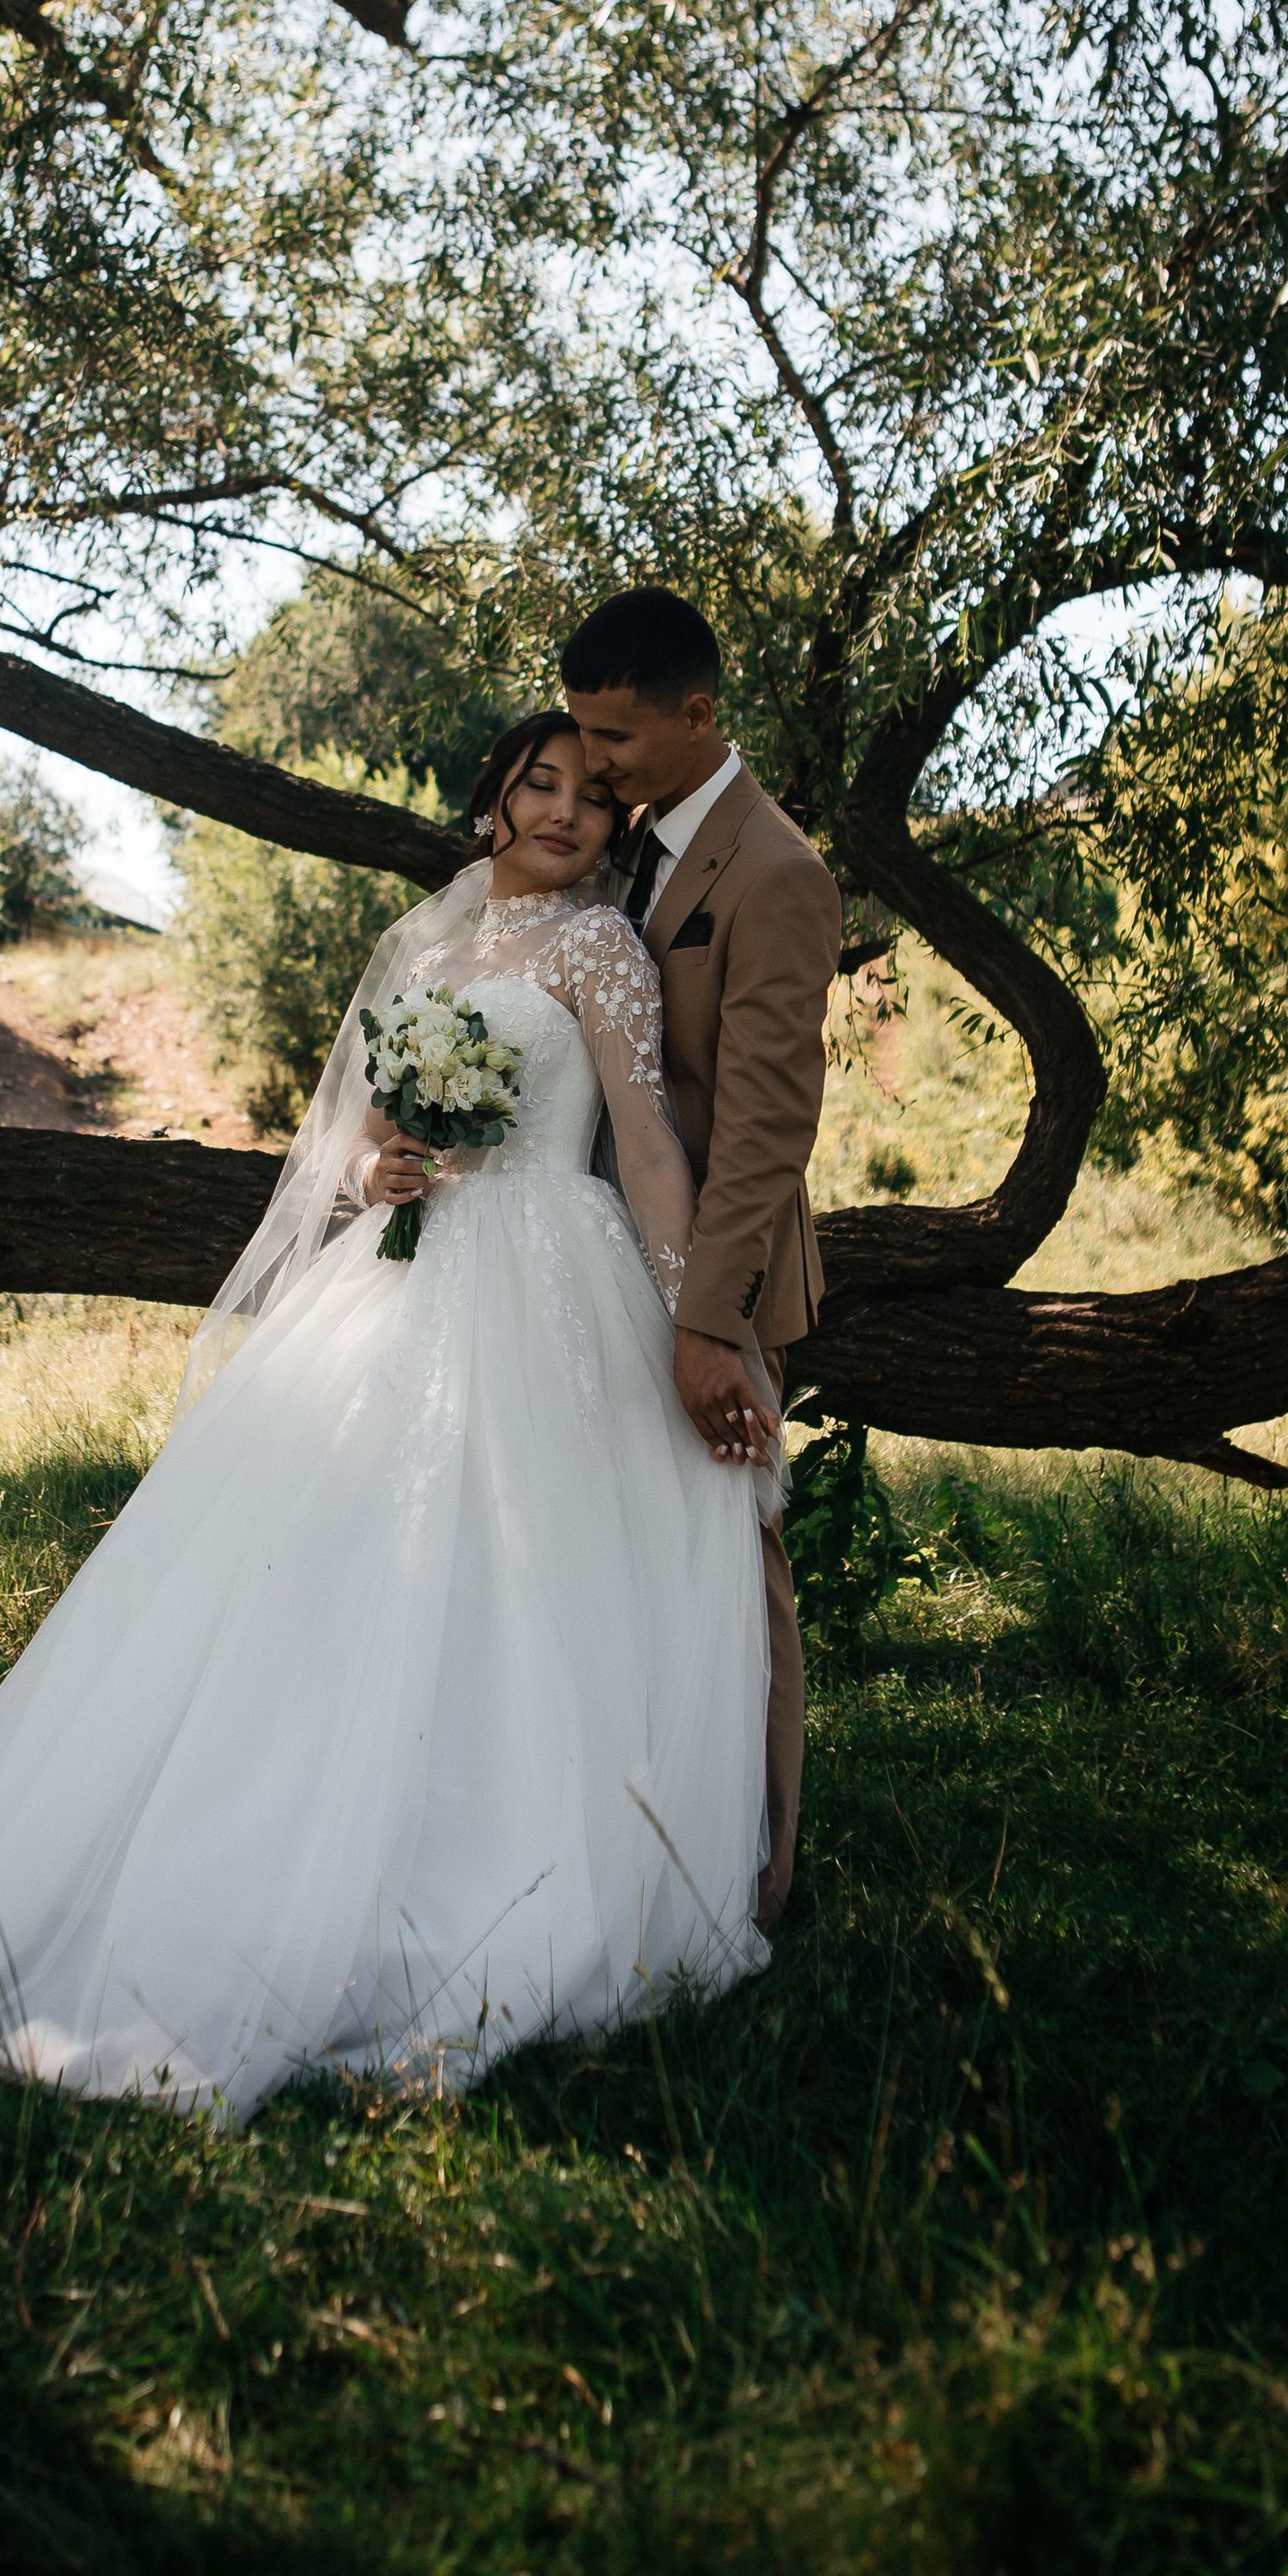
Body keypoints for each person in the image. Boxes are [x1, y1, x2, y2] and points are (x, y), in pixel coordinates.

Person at [0, 711, 776, 2117]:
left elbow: (652, 1147)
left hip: (554, 1278)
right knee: (320, 1570)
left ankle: (503, 1869)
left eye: (595, 799)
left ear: (619, 828)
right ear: (492, 796)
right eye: (538, 784)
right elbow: (367, 1142)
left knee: (531, 1585)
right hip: (399, 1283)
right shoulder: (425, 954)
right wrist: (382, 1178)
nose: (565, 813)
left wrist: (702, 1323)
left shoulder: (596, 952)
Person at [561, 590, 841, 1924]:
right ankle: (619, 1851)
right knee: (617, 1557)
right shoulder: (623, 847)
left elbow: (771, 1123)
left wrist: (706, 1324)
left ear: (698, 715)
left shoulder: (777, 872)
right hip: (580, 1264)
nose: (593, 760)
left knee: (737, 1567)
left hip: (710, 1286)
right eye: (577, 732)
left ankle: (758, 1879)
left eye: (615, 735)